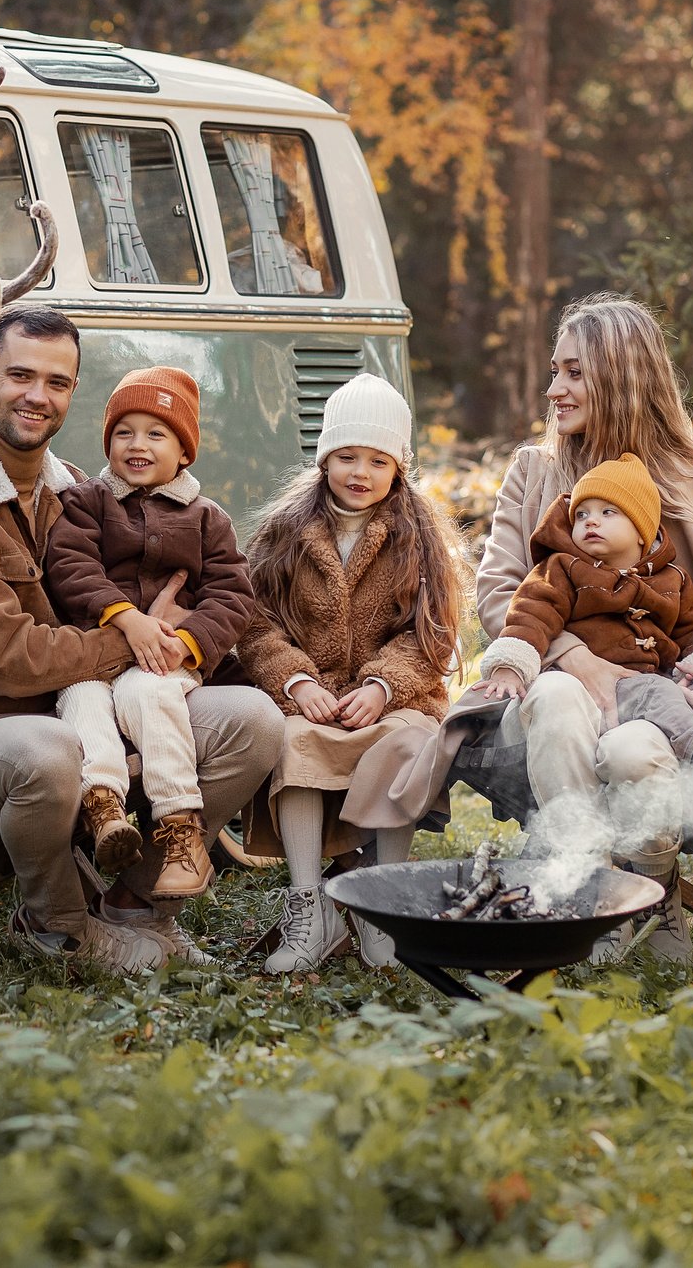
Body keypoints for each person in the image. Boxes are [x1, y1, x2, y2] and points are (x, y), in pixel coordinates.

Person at [0, 306, 285, 972]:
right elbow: (10, 659)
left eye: (57, 382)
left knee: (254, 722)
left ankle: (139, 908)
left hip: (73, 711)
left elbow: (203, 588)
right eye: (21, 375)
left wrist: (178, 638)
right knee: (53, 750)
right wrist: (142, 630)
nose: (38, 395)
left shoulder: (79, 497)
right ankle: (59, 928)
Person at [458, 293, 693, 959]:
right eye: (555, 370)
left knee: (635, 751)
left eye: (573, 372)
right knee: (555, 695)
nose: (554, 389)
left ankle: (646, 889)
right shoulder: (536, 471)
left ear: (621, 375)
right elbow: (497, 592)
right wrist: (574, 655)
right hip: (545, 693)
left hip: (657, 706)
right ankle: (595, 898)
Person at [230, 372, 468, 974]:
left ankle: (382, 900)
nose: (360, 473)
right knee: (293, 742)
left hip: (390, 701)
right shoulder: (286, 533)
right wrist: (296, 681)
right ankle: (309, 904)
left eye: (378, 461)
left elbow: (431, 633)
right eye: (346, 457)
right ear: (324, 459)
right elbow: (255, 623)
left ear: (399, 468)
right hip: (312, 698)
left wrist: (383, 685)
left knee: (408, 741)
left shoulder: (417, 539)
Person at [43, 366, 259, 898]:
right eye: (124, 432)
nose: (137, 445)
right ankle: (105, 808)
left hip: (164, 660)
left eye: (155, 433)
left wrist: (186, 645)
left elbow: (232, 596)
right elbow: (70, 566)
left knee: (151, 691)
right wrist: (125, 615)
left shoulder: (208, 518)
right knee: (81, 697)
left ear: (185, 451)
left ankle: (180, 824)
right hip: (94, 653)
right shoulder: (87, 502)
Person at [477, 450, 693, 819]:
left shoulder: (671, 579)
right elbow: (531, 614)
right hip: (580, 687)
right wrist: (512, 664)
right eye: (583, 514)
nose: (591, 522)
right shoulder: (562, 568)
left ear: (643, 533)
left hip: (646, 693)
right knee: (655, 695)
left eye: (608, 513)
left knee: (666, 707)